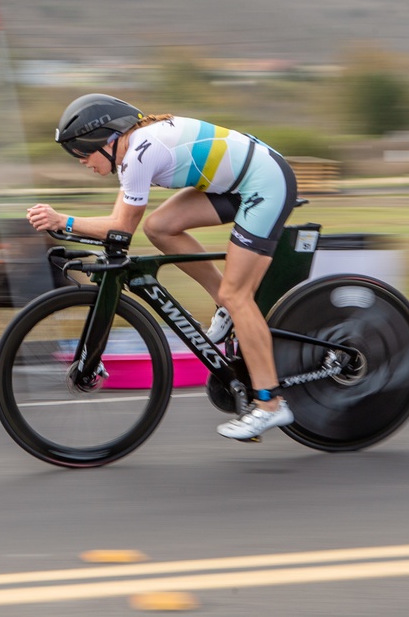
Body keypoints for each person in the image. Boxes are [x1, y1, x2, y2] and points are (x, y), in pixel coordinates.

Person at [27, 94, 298, 440]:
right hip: (235, 183)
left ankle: (270, 403)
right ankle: (225, 307)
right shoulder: (130, 153)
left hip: (265, 183)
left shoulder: (140, 153)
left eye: (81, 152)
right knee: (159, 227)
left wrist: (61, 220)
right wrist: (68, 225)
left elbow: (120, 229)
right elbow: (121, 227)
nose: (81, 161)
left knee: (238, 294)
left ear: (105, 140)